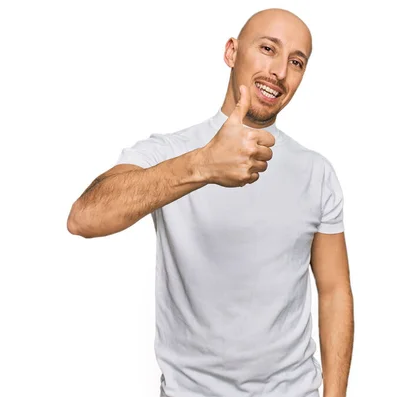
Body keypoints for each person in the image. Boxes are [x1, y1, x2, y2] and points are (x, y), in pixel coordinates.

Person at [67, 7, 354, 397]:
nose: (280, 72)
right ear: (231, 52)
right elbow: (84, 218)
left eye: (296, 62)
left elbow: (335, 289)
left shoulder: (316, 172)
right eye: (268, 48)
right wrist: (201, 165)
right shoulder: (168, 152)